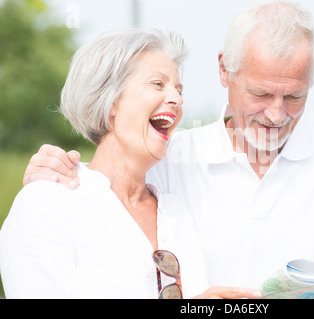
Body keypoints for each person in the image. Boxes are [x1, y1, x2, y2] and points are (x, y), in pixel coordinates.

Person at [19, 2, 314, 298]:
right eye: (260, 93)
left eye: (294, 96)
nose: (276, 114)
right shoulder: (169, 165)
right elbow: (106, 187)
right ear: (224, 70)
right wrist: (53, 175)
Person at [0, 29, 261, 299]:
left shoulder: (176, 213)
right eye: (158, 84)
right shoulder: (48, 202)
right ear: (110, 100)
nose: (177, 99)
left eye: (178, 90)